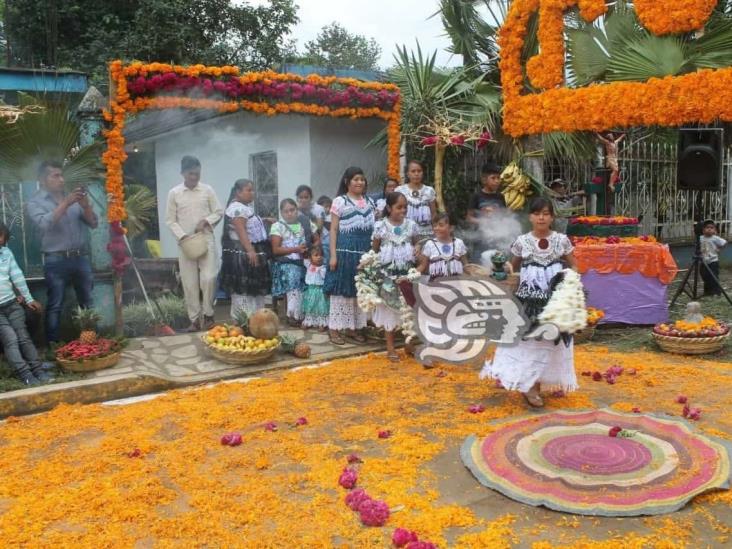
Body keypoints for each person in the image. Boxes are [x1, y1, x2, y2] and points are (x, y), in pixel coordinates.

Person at [480, 198, 578, 408]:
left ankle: (538, 382)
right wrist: (499, 271)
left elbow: (575, 266)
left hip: (554, 298)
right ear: (530, 217)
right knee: (529, 339)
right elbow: (512, 268)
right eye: (537, 213)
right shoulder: (522, 241)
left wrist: (569, 286)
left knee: (549, 339)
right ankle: (530, 385)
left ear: (552, 217)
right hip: (528, 297)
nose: (541, 217)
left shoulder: (561, 240)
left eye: (545, 213)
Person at [27, 160, 98, 344]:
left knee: (88, 302)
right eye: (55, 176)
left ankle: (91, 344)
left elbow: (93, 223)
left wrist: (86, 206)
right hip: (55, 260)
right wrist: (66, 203)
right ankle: (53, 347)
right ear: (43, 180)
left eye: (62, 175)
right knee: (55, 305)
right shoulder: (35, 203)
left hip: (80, 258)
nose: (61, 179)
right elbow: (45, 224)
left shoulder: (73, 199)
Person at [165, 155, 223, 332]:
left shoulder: (207, 190)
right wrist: (182, 237)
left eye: (197, 173)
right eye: (191, 174)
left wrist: (206, 221)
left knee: (209, 277)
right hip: (186, 243)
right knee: (189, 282)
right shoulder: (174, 193)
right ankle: (195, 320)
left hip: (205, 239)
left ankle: (209, 314)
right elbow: (170, 220)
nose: (195, 177)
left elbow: (219, 211)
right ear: (183, 173)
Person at [323, 167, 376, 345]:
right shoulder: (340, 201)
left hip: (364, 253)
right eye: (355, 179)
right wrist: (333, 255)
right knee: (341, 290)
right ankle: (334, 329)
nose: (359, 182)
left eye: (362, 179)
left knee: (359, 290)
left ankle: (353, 329)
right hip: (344, 252)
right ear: (347, 181)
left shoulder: (370, 202)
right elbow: (333, 229)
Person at [0, 223, 51, 385]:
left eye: (1, 235)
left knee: (23, 337)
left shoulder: (6, 253)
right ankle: (25, 375)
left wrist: (28, 299)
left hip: (12, 304)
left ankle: (38, 370)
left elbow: (18, 277)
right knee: (11, 340)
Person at [371, 193, 418, 362]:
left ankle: (409, 343)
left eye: (405, 207)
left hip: (407, 275)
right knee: (389, 311)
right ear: (389, 208)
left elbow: (416, 245)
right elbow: (374, 252)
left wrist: (418, 253)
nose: (403, 210)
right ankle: (390, 347)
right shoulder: (381, 226)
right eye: (399, 207)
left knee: (409, 310)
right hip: (388, 276)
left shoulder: (411, 225)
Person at [220, 179, 271, 319]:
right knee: (244, 291)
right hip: (243, 255)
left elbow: (247, 225)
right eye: (249, 190)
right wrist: (250, 250)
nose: (252, 193)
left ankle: (257, 320)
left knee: (253, 291)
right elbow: (241, 230)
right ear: (238, 192)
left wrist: (264, 220)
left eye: (253, 190)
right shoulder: (237, 208)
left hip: (249, 252)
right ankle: (244, 321)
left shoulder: (243, 208)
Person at [270, 198, 318, 327]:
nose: (289, 213)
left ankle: (306, 314)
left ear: (297, 210)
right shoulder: (278, 226)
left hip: (305, 260)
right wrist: (296, 249)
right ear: (281, 213)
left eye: (292, 210)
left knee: (314, 277)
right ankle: (293, 315)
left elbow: (317, 240)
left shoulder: (306, 223)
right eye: (286, 211)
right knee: (294, 275)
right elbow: (276, 250)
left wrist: (311, 251)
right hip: (286, 261)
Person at [419, 213, 469, 281]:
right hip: (436, 287)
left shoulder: (458, 243)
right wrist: (408, 277)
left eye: (441, 225)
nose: (436, 228)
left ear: (451, 228)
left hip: (456, 285)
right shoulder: (430, 244)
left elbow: (466, 266)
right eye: (435, 226)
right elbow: (422, 266)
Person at [396, 160, 436, 240]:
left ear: (423, 173)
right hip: (405, 234)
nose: (416, 174)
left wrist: (436, 232)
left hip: (427, 234)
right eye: (413, 171)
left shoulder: (429, 190)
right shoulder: (400, 190)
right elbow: (396, 213)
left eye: (419, 171)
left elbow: (434, 214)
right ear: (407, 174)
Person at [301, 245, 329, 330]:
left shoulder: (323, 268)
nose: (319, 257)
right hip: (310, 290)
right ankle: (308, 321)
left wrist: (320, 270)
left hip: (320, 290)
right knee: (310, 306)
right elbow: (304, 257)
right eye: (316, 255)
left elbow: (324, 277)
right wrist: (305, 251)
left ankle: (322, 323)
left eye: (321, 255)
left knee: (320, 307)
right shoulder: (308, 265)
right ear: (310, 257)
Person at [699, 219, 727, 297]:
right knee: (705, 276)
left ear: (714, 230)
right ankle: (707, 292)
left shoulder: (715, 238)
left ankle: (716, 292)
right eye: (707, 227)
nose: (709, 229)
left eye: (712, 228)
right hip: (703, 261)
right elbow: (696, 246)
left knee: (714, 277)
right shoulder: (700, 238)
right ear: (703, 230)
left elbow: (724, 242)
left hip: (713, 261)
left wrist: (719, 249)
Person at [317, 195, 333, 265]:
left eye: (330, 207)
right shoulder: (318, 218)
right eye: (326, 207)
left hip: (331, 244)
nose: (328, 209)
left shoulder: (332, 217)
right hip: (322, 244)